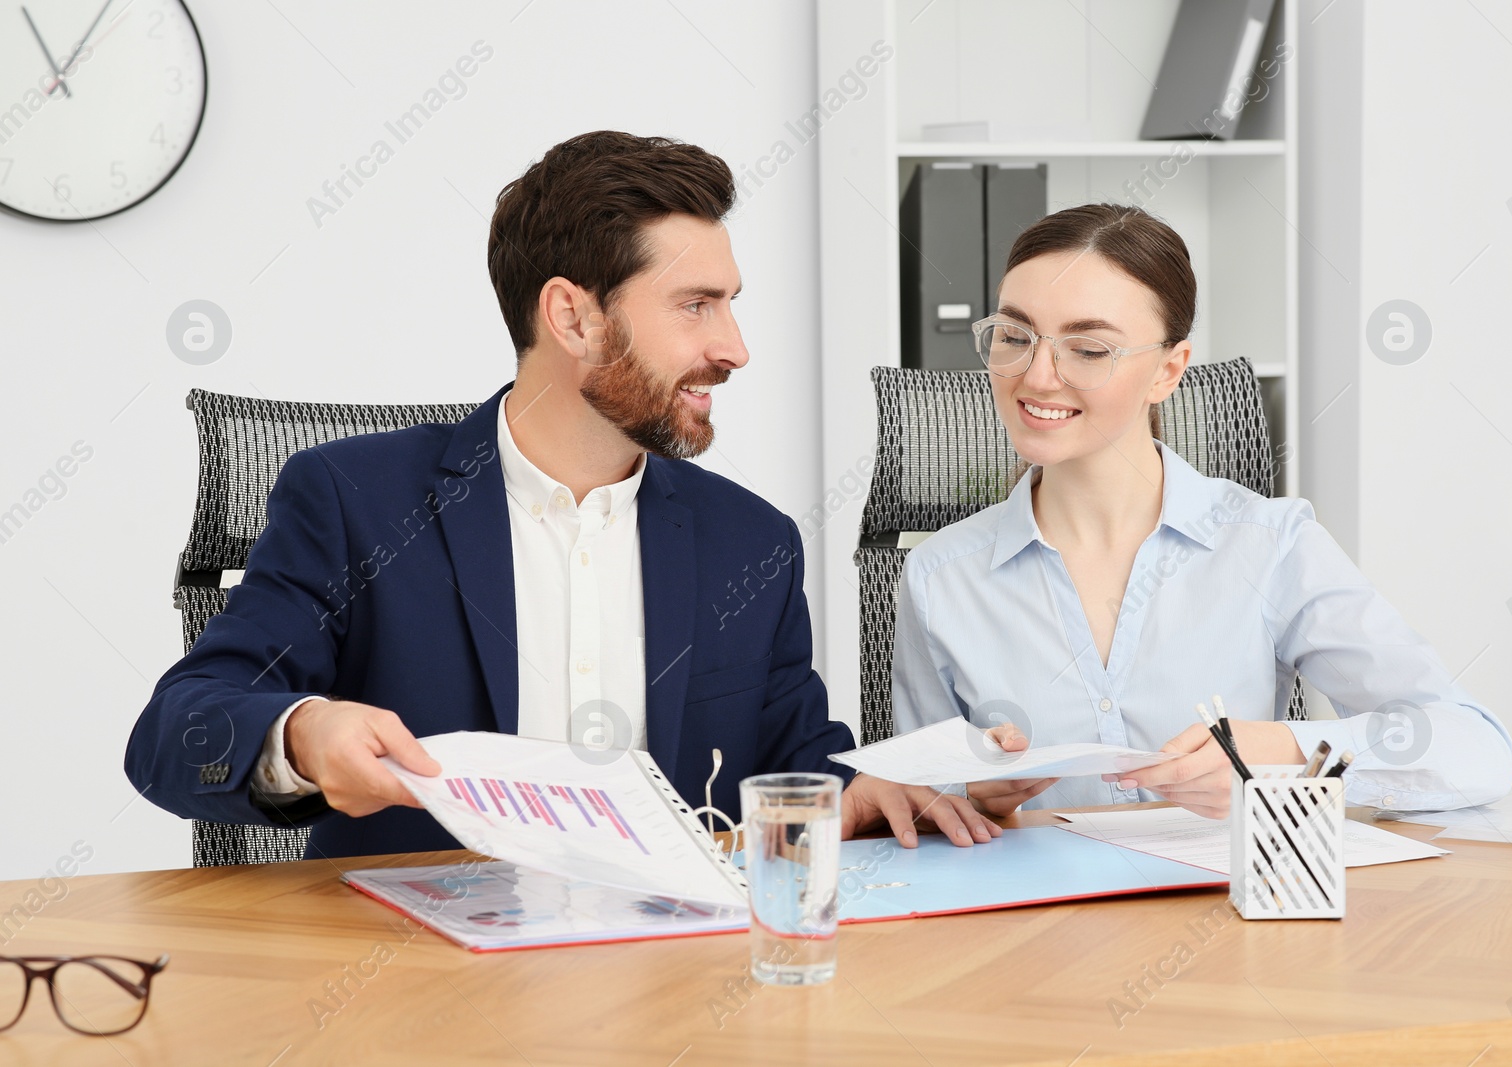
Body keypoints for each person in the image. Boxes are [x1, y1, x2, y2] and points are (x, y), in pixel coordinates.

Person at [125, 130, 1001, 859]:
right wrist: (302, 736)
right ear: (573, 316)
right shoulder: (354, 501)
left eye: (730, 304)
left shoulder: (752, 542)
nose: (735, 347)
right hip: (417, 1000)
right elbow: (173, 733)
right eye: (695, 305)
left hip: (678, 993)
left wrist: (871, 790)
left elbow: (794, 760)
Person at [893, 203, 1512, 820]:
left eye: (1088, 348)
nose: (1038, 374)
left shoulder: (1271, 546)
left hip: (1230, 913)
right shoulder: (940, 575)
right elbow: (920, 806)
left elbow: (1475, 747)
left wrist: (1290, 756)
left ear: (1168, 370)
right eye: (1015, 337)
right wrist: (962, 797)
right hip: (1036, 916)